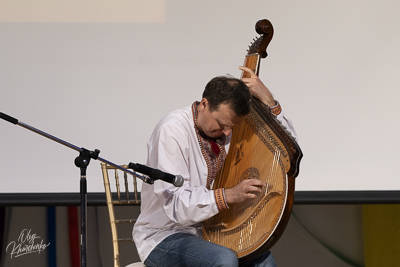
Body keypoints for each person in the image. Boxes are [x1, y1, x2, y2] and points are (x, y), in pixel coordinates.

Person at [133, 66, 297, 267]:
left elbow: (287, 151)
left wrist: (270, 103)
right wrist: (228, 196)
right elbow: (175, 206)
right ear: (204, 104)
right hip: (165, 235)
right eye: (221, 123)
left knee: (263, 259)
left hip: (213, 233)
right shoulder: (172, 131)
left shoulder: (227, 131)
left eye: (232, 127)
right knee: (223, 260)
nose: (227, 132)